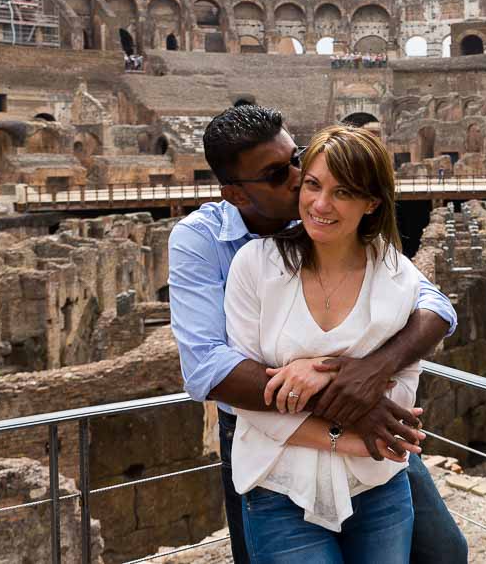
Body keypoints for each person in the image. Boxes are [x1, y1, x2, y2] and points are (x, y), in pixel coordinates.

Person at [168, 105, 468, 564]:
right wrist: (344, 396)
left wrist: (369, 373)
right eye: (276, 174)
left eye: (296, 159)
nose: (297, 179)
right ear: (235, 193)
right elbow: (208, 370)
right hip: (269, 427)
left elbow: (435, 307)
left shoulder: (327, 217)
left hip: (367, 423)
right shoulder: (202, 241)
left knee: (444, 551)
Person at [226, 125, 425, 561]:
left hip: (377, 489)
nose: (320, 204)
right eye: (312, 185)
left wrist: (308, 374)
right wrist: (347, 434)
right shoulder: (255, 266)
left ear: (371, 202)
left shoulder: (397, 275)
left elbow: (403, 391)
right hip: (279, 488)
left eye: (343, 192)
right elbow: (247, 396)